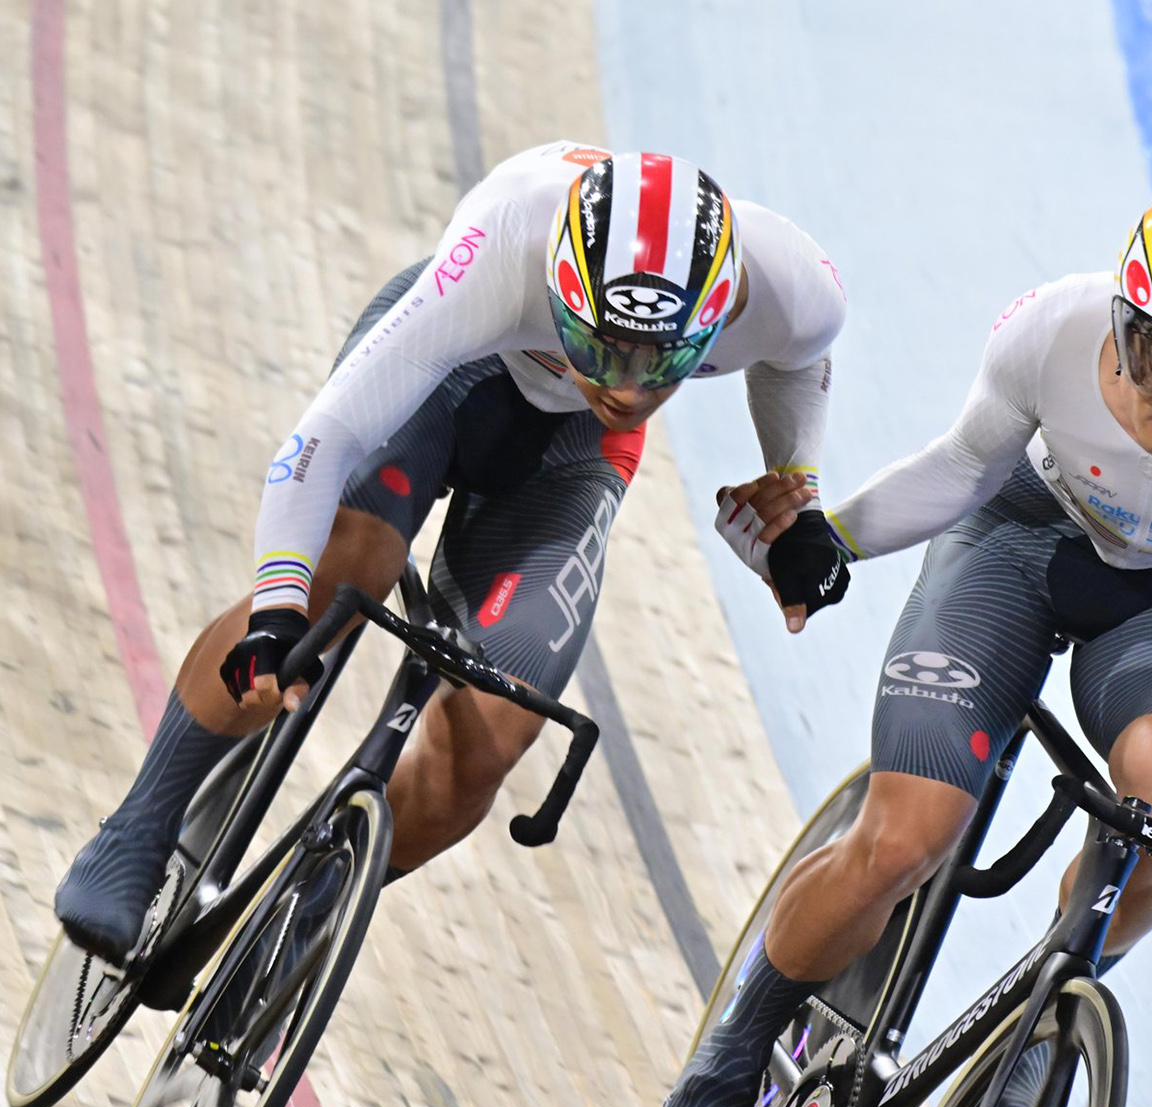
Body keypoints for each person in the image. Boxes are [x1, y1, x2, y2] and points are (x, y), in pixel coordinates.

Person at [649, 187, 1152, 1107]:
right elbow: (958, 470)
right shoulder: (1054, 326)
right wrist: (833, 536)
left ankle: (1046, 1012)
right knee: (906, 838)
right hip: (1019, 536)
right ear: (1123, 318)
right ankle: (731, 1055)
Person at [53, 141, 851, 966]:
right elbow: (326, 438)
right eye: (603, 348)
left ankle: (302, 930)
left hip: (571, 454)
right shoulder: (504, 247)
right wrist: (276, 607)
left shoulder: (791, 288)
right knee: (340, 569)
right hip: (454, 379)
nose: (628, 387)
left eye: (665, 362)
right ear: (562, 289)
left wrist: (799, 488)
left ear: (720, 314)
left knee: (495, 732)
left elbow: (798, 359)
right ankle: (138, 829)